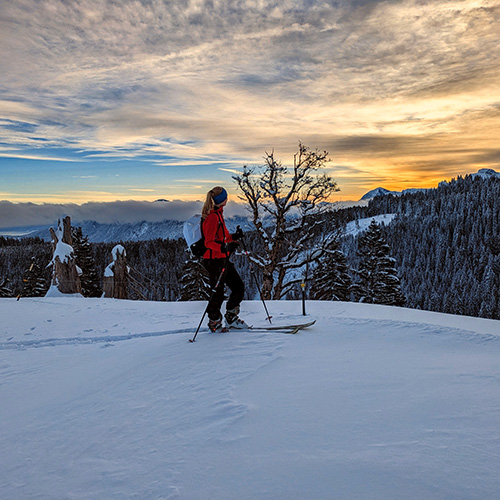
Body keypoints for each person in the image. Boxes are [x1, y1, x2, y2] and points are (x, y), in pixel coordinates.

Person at [202, 186, 248, 332]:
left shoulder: (218, 214)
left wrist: (233, 237)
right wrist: (223, 248)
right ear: (222, 200)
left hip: (222, 258)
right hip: (214, 261)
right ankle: (214, 321)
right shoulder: (212, 217)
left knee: (238, 286)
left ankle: (230, 317)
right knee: (218, 293)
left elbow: (221, 237)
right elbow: (208, 242)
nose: (228, 199)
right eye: (226, 197)